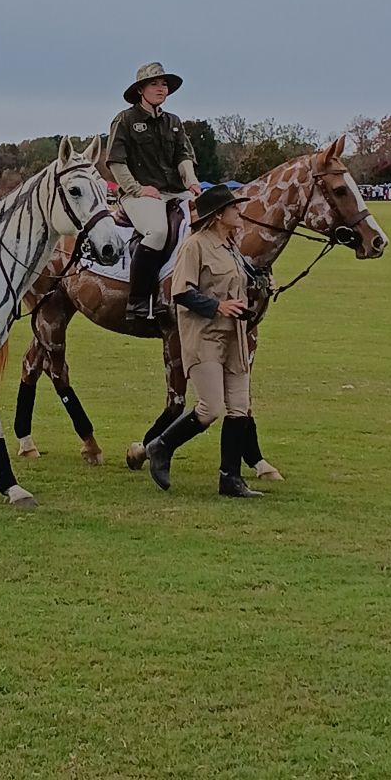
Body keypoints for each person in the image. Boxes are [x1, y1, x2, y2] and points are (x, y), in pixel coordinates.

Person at [144, 184, 263, 498]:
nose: (240, 212)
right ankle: (161, 446)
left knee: (239, 407)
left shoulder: (231, 247)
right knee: (210, 409)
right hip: (205, 337)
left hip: (234, 337)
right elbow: (180, 292)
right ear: (219, 215)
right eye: (234, 208)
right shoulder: (194, 245)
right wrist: (218, 306)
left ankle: (230, 479)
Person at [105, 62, 201, 320]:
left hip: (175, 191)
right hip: (140, 194)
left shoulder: (173, 122)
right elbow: (116, 161)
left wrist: (191, 182)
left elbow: (183, 156)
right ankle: (137, 301)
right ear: (140, 90)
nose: (161, 89)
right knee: (157, 232)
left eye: (164, 84)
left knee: (210, 221)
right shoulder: (125, 120)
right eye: (154, 84)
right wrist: (136, 189)